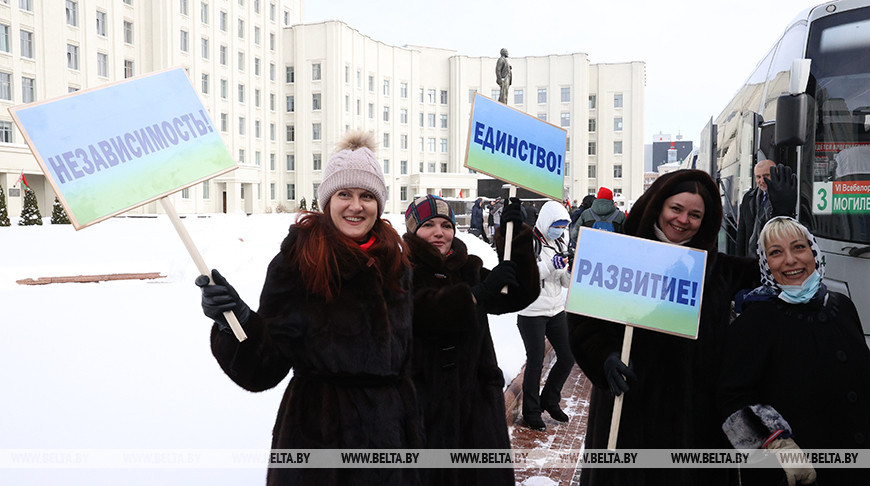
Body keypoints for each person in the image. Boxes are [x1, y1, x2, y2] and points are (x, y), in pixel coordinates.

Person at [196, 131, 421, 486]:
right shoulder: (299, 262)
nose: (355, 205)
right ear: (327, 201)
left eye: (366, 195)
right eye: (344, 194)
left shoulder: (398, 264)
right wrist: (235, 321)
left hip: (391, 443)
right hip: (318, 447)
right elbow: (262, 366)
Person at [567, 169, 761, 486]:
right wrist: (603, 357)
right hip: (629, 414)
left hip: (693, 428)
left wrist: (778, 213)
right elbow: (583, 323)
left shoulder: (720, 270)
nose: (683, 220)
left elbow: (782, 267)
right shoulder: (618, 253)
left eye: (695, 214)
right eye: (676, 209)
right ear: (659, 206)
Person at [719, 216, 870, 486]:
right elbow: (731, 397)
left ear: (814, 252)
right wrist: (776, 446)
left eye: (799, 247)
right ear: (766, 264)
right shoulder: (755, 319)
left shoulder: (841, 305)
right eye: (775, 252)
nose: (790, 260)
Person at [403, 194, 539, 486]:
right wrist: (475, 295)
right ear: (413, 231)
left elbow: (519, 295)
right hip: (425, 406)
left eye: (446, 225)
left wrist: (515, 240)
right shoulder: (402, 270)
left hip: (476, 405)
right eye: (428, 225)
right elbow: (421, 313)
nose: (439, 232)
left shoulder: (468, 268)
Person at [517, 200, 576, 431]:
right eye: (556, 224)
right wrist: (551, 266)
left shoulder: (560, 242)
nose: (559, 230)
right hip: (531, 311)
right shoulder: (528, 242)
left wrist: (569, 271)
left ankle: (549, 400)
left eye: (563, 226)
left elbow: (563, 281)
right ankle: (531, 412)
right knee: (536, 360)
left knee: (568, 355)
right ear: (545, 221)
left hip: (555, 309)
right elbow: (525, 275)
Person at [736, 159, 795, 257]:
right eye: (758, 177)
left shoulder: (785, 197)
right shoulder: (748, 198)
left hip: (774, 258)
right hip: (751, 260)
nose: (762, 181)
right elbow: (741, 234)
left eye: (766, 176)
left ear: (775, 174)